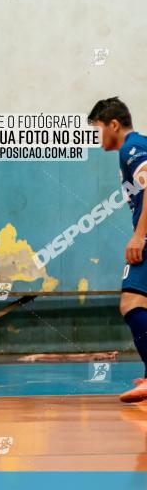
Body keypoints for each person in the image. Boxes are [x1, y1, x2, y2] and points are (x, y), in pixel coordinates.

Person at [89, 98, 147, 402]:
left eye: (98, 128)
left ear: (113, 124)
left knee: (131, 302)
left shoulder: (131, 148)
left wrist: (139, 235)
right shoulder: (135, 147)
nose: (97, 136)